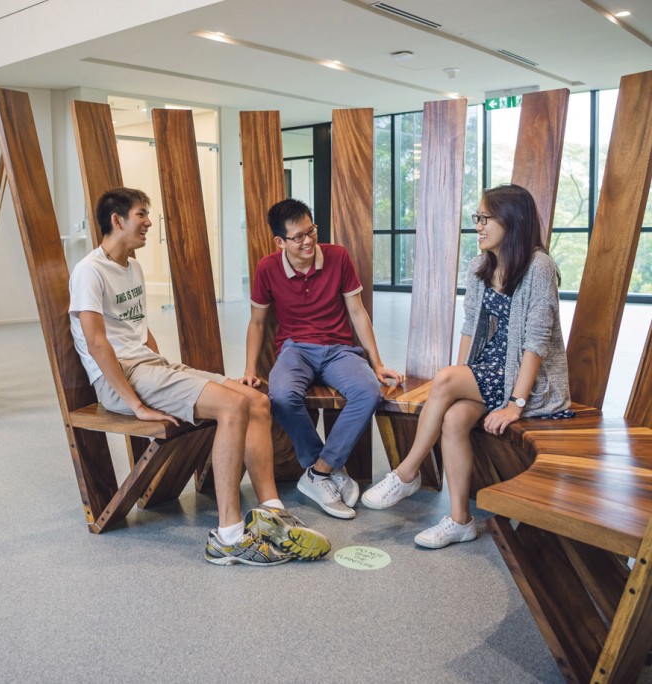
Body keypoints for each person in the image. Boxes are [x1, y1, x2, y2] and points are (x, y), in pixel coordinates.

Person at [68, 187, 330, 566]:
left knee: (255, 398)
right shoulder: (89, 272)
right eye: (141, 214)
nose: (148, 222)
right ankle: (228, 535)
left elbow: (139, 332)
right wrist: (136, 405)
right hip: (121, 380)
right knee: (233, 406)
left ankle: (272, 512)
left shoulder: (132, 267)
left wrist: (167, 369)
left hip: (149, 367)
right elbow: (97, 344)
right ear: (117, 220)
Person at [361, 184, 573, 548]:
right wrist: (460, 381)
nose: (478, 225)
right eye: (478, 217)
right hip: (489, 371)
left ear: (513, 221)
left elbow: (535, 343)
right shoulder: (481, 266)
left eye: (485, 218)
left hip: (526, 382)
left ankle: (407, 472)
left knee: (445, 381)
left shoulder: (539, 266)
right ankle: (460, 520)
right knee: (454, 417)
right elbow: (469, 326)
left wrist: (515, 404)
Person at [242, 199, 403, 519]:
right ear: (280, 241)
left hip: (339, 350)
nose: (308, 241)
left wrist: (378, 362)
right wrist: (248, 369)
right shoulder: (267, 268)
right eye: (298, 236)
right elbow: (257, 322)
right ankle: (328, 469)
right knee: (282, 396)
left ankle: (318, 473)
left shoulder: (338, 257)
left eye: (311, 231)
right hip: (295, 349)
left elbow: (357, 312)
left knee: (369, 392)